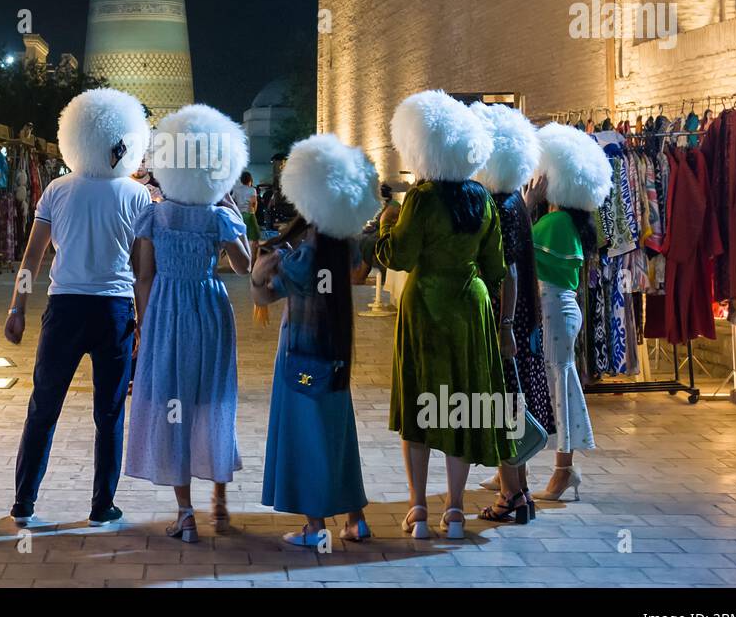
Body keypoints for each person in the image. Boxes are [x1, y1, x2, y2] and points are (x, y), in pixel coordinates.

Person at [5, 88, 152, 527]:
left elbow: (32, 257)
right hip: (115, 312)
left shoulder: (56, 190)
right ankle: (101, 505)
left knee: (43, 406)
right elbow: (144, 273)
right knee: (109, 414)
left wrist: (17, 307)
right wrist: (145, 325)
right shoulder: (137, 196)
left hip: (64, 308)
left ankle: (24, 501)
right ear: (125, 141)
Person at [376, 90, 513, 539]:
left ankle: (418, 508)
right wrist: (506, 325)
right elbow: (497, 268)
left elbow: (398, 256)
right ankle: (454, 510)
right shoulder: (482, 198)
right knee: (461, 404)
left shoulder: (422, 197)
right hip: (470, 304)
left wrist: (385, 224)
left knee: (420, 402)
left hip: (425, 305)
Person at [126, 105, 252, 542]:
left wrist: (145, 325)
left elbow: (143, 277)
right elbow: (244, 266)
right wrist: (230, 207)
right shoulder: (217, 215)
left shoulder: (155, 216)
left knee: (173, 403)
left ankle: (185, 513)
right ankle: (219, 499)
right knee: (213, 398)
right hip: (210, 308)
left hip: (165, 310)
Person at [254, 133, 377, 547]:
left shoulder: (304, 253)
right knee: (338, 437)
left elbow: (267, 293)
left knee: (306, 437)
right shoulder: (345, 244)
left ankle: (314, 527)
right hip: (336, 353)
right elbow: (357, 273)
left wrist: (259, 272)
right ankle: (356, 519)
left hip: (301, 356)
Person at [468, 101, 553, 524]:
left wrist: (503, 324)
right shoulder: (514, 204)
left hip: (509, 320)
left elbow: (508, 272)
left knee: (504, 404)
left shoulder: (497, 209)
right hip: (524, 320)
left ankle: (511, 496)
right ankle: (517, 491)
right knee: (514, 403)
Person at [525, 123, 612, 503]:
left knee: (559, 387)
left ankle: (563, 470)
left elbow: (516, 251)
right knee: (548, 385)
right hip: (556, 310)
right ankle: (521, 467)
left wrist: (525, 209)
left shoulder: (556, 222)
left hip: (554, 311)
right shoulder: (566, 221)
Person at [230, 170, 261, 262]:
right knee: (255, 238)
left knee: (242, 238)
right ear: (250, 180)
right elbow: (253, 203)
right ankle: (252, 262)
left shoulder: (236, 189)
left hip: (239, 215)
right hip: (249, 214)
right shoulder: (252, 190)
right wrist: (253, 212)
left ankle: (241, 260)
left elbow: (232, 201)